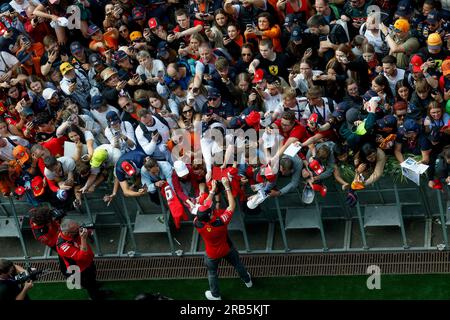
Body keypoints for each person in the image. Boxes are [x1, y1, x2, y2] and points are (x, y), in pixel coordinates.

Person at [194, 177, 252, 300]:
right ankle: (248, 281)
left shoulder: (197, 222)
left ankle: (215, 295)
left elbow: (205, 206)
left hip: (212, 254)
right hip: (227, 248)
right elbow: (232, 205)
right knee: (237, 264)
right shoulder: (220, 221)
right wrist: (226, 187)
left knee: (212, 273)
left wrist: (212, 191)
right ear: (210, 215)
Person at [56, 218, 111, 300]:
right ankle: (95, 296)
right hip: (80, 269)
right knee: (89, 285)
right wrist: (83, 239)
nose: (80, 230)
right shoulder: (63, 246)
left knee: (92, 278)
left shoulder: (72, 233)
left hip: (87, 263)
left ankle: (94, 285)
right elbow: (82, 257)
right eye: (77, 229)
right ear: (68, 233)